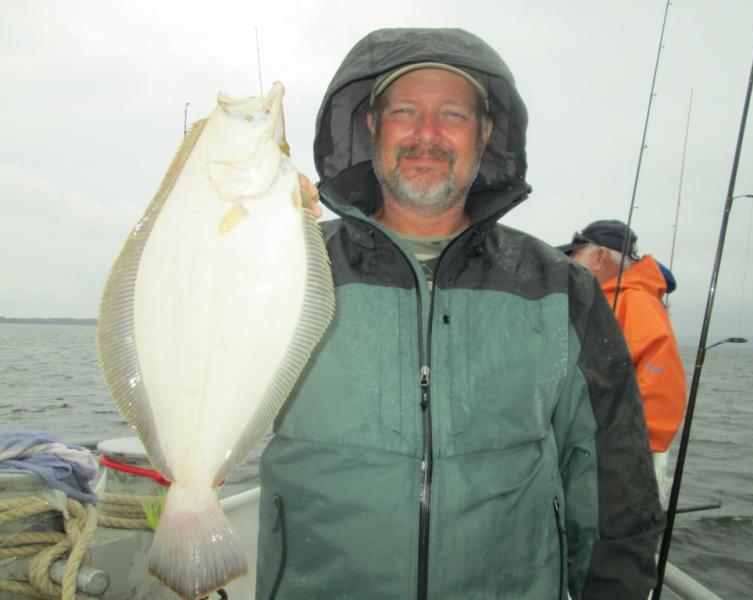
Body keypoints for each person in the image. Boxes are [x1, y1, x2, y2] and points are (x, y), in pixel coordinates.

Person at [256, 28, 664, 600]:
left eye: (453, 114)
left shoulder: (562, 289)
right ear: (371, 126)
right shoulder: (285, 267)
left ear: (486, 133)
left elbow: (611, 483)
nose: (427, 134)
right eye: (404, 111)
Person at [558, 219, 687, 499]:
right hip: (590, 455)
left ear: (600, 256)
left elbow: (660, 390)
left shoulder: (636, 302)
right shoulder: (600, 301)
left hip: (617, 464)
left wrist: (617, 452)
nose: (569, 264)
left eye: (575, 255)